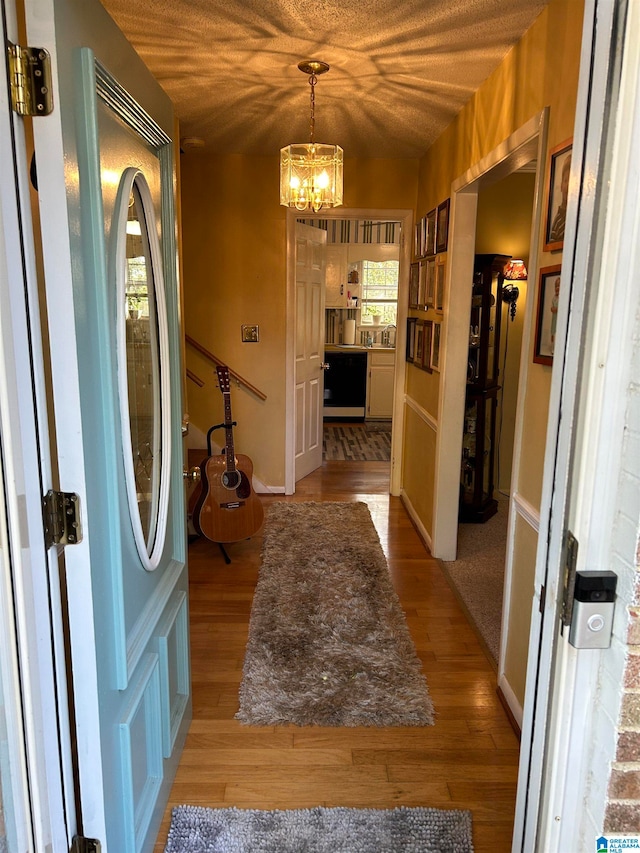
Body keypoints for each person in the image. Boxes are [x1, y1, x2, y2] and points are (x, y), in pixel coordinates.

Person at [549, 153, 571, 243]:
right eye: (566, 180)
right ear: (561, 185)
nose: (568, 185)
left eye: (571, 180)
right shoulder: (558, 222)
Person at [550, 277, 560, 354]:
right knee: (552, 332)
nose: (557, 288)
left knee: (557, 332)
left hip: (558, 319)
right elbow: (552, 306)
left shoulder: (561, 298)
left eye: (559, 286)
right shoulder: (554, 298)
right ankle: (552, 346)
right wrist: (552, 309)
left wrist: (556, 309)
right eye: (556, 286)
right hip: (554, 318)